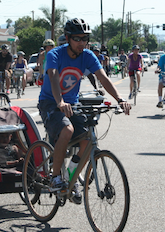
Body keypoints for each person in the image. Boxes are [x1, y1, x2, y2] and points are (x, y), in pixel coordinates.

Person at [38, 18, 131, 204]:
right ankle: (55, 177)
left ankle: (72, 176)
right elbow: (54, 78)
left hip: (72, 104)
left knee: (87, 139)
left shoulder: (87, 55)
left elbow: (103, 78)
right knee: (67, 130)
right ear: (67, 38)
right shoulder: (54, 55)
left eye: (85, 38)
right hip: (50, 102)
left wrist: (119, 99)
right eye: (77, 38)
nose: (82, 43)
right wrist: (60, 102)